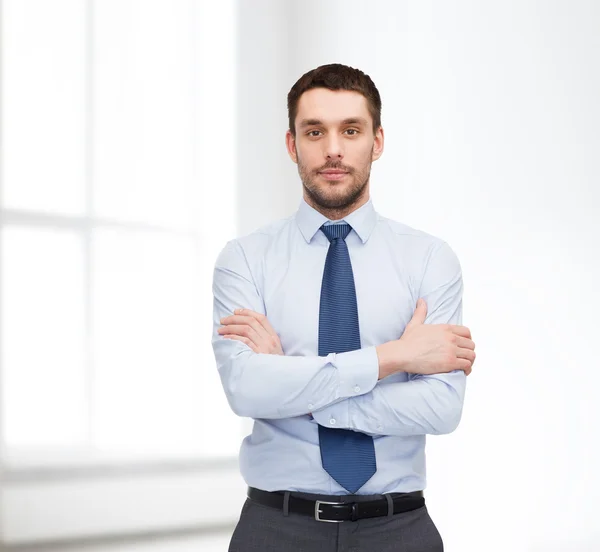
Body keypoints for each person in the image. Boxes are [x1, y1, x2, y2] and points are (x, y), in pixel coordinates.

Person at [211, 63, 476, 552]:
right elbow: (246, 390)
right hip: (275, 529)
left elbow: (442, 406)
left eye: (350, 130)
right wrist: (393, 358)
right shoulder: (245, 259)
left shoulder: (429, 260)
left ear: (376, 142)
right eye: (315, 131)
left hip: (400, 530)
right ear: (292, 145)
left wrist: (292, 381)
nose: (333, 148)